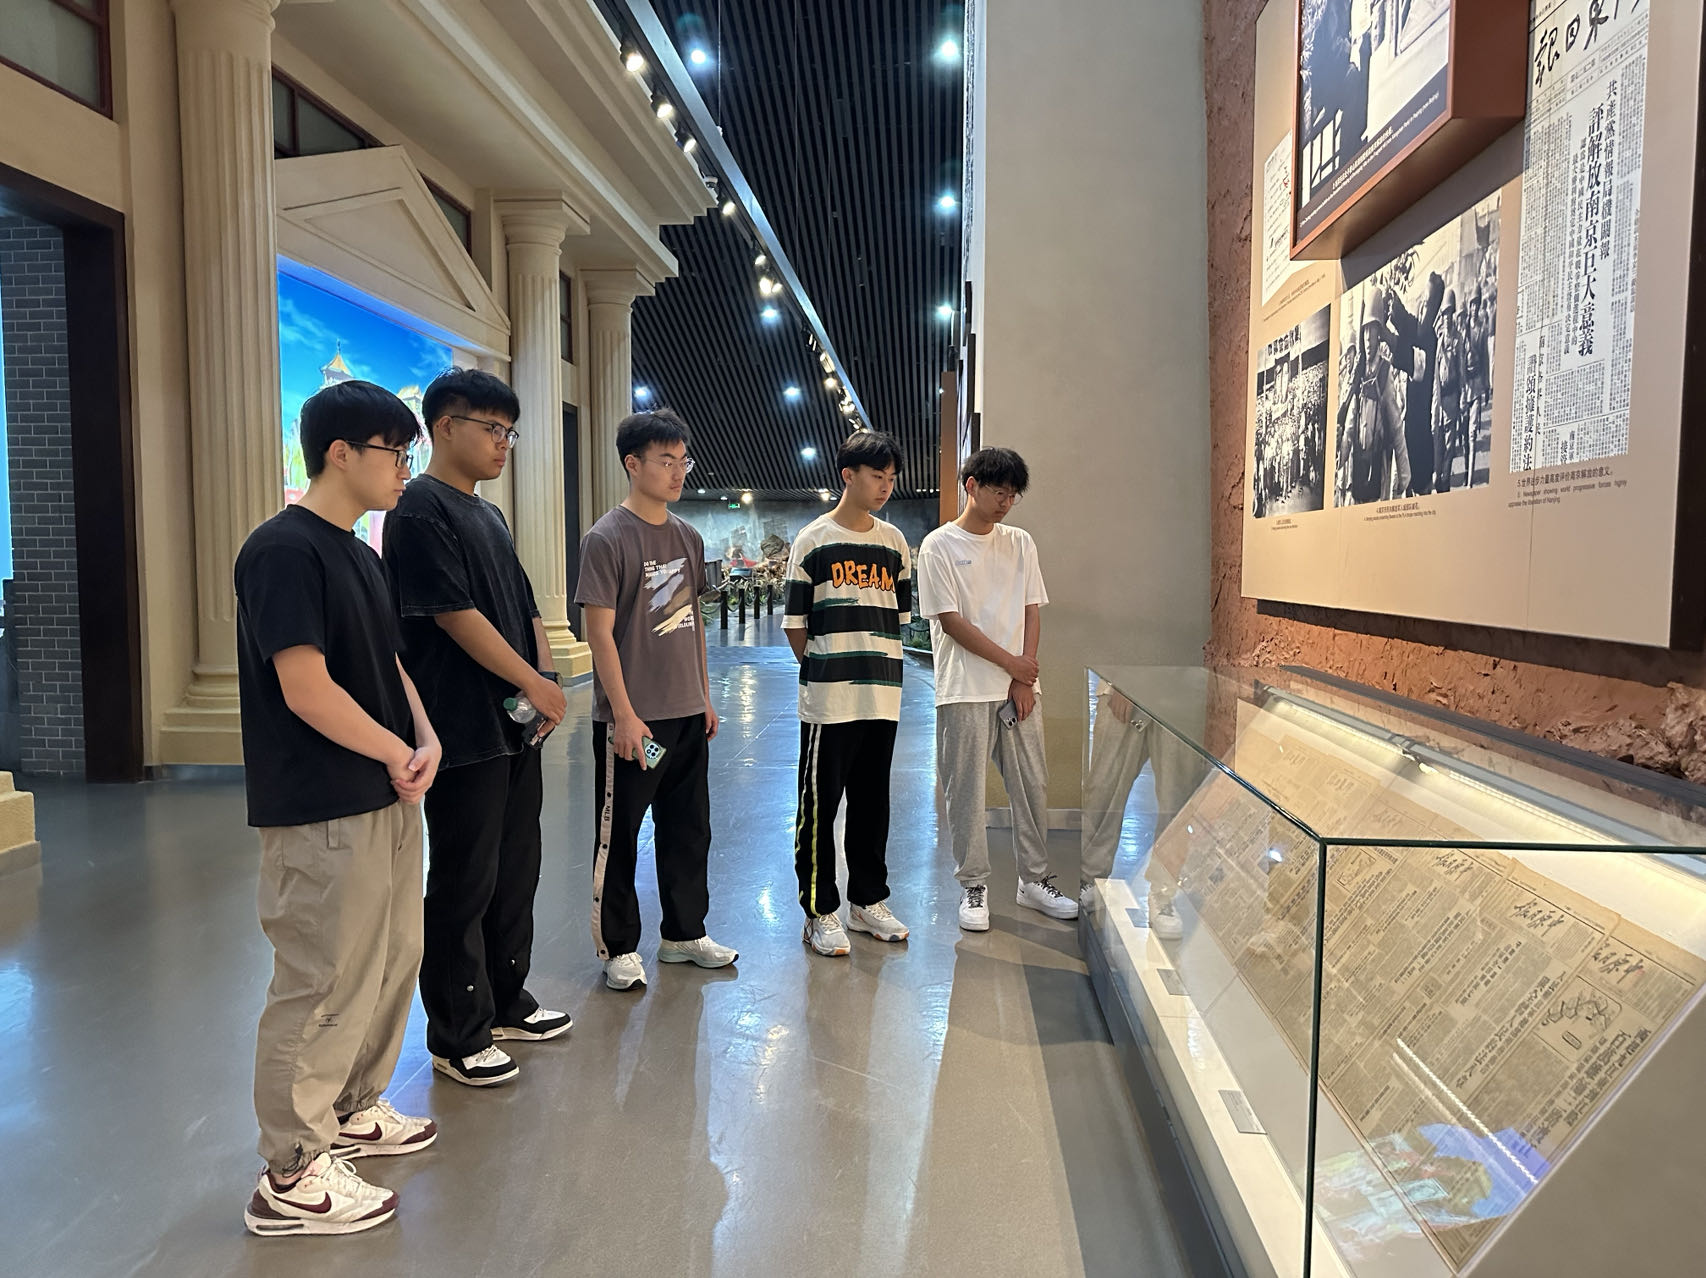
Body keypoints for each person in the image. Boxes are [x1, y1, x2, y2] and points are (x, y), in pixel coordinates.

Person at [235, 379, 443, 1237]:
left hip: (385, 792)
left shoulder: (361, 554)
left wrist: (423, 736)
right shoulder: (283, 550)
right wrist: (394, 750)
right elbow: (305, 686)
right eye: (396, 452)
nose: (404, 469)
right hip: (320, 802)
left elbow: (387, 666)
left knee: (390, 958)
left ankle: (352, 1107)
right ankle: (290, 1171)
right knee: (321, 977)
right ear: (340, 452)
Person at [382, 368, 572, 1089]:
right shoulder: (419, 509)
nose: (502, 444)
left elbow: (525, 608)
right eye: (492, 428)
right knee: (464, 877)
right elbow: (453, 615)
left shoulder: (488, 515)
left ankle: (505, 999)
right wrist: (532, 683)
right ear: (445, 426)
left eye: (509, 432)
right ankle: (457, 1031)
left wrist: (543, 681)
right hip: (462, 727)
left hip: (514, 725)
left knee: (515, 866)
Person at [576, 408, 735, 990]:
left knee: (689, 827)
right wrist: (623, 714)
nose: (677, 472)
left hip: (687, 713)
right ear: (632, 463)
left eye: (683, 461)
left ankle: (684, 933)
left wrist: (704, 696)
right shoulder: (606, 538)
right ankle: (618, 946)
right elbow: (599, 634)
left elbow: (692, 622)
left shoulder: (688, 537)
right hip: (636, 721)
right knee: (620, 833)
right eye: (666, 461)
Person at [917, 447, 1077, 931]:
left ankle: (1034, 880)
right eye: (998, 492)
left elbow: (1031, 610)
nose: (1006, 502)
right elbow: (951, 622)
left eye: (1013, 495)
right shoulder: (939, 546)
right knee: (965, 791)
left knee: (1032, 784)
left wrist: (1023, 678)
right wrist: (1014, 666)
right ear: (971, 486)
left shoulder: (1020, 543)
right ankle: (973, 885)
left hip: (1018, 689)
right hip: (964, 689)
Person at [784, 429, 915, 956]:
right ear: (848, 476)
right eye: (876, 476)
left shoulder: (895, 543)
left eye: (891, 478)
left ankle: (867, 900)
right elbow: (796, 626)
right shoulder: (813, 540)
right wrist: (825, 671)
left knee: (872, 803)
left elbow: (898, 618)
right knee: (819, 806)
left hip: (882, 696)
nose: (885, 487)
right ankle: (819, 911)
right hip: (829, 700)